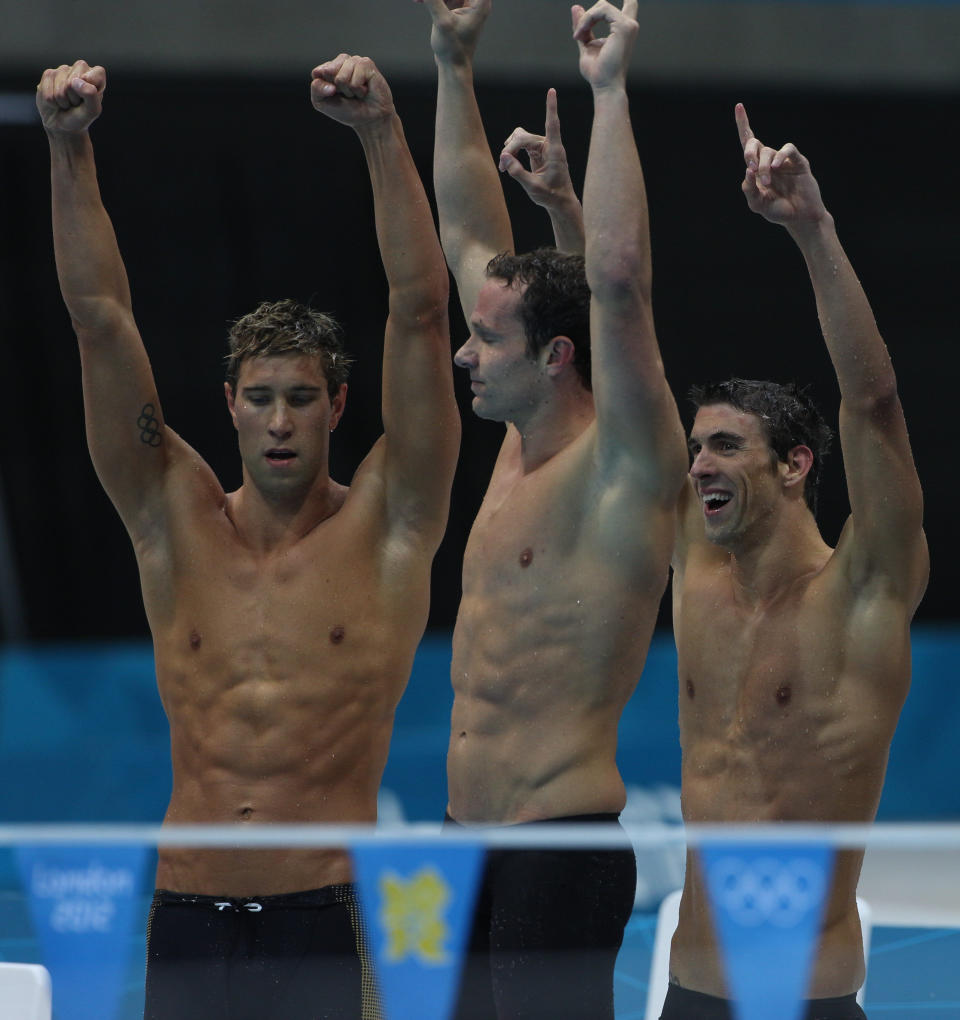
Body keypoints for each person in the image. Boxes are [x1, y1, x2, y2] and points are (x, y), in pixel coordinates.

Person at [36, 53, 459, 1020]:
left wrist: (383, 133)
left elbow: (424, 314)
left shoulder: (392, 525)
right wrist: (70, 150)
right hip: (186, 913)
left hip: (329, 913)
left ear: (337, 405)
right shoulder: (170, 515)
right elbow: (98, 322)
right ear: (228, 405)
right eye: (261, 399)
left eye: (301, 400)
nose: (279, 422)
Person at [418, 0, 688, 1016]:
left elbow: (616, 286)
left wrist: (608, 89)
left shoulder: (623, 466)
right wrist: (451, 61)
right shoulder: (513, 449)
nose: (463, 352)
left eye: (487, 343)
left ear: (556, 356)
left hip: (555, 848)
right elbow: (465, 232)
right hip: (460, 841)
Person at [662, 107, 929, 1019]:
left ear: (795, 464)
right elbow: (622, 351)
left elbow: (876, 402)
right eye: (697, 447)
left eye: (726, 447)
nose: (698, 464)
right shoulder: (695, 575)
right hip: (690, 994)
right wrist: (568, 214)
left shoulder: (860, 595)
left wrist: (813, 231)